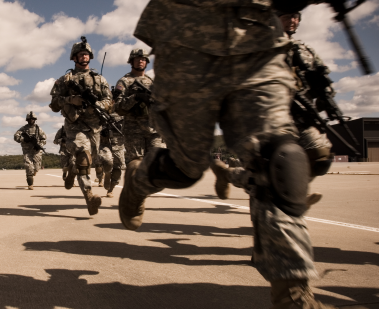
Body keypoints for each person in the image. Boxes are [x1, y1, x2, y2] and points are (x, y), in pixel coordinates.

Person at [119, 1, 335, 307]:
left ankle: (293, 294)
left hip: (258, 38)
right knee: (187, 167)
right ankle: (139, 180)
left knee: (279, 159)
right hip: (188, 39)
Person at [211, 10, 333, 207]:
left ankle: (293, 192)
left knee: (320, 157)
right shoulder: (259, 42)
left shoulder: (305, 50)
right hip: (268, 115)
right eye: (287, 16)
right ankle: (228, 174)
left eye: (296, 17)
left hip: (302, 113)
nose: (292, 20)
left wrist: (326, 94)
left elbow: (322, 77)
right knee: (263, 171)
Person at [49, 36, 112, 215]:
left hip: (95, 127)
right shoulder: (64, 80)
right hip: (75, 125)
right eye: (80, 54)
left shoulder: (99, 79)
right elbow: (53, 104)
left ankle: (72, 170)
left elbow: (110, 100)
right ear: (74, 58)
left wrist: (100, 105)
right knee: (83, 157)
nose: (84, 56)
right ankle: (90, 196)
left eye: (86, 54)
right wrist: (71, 100)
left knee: (91, 160)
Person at [114, 49, 165, 164]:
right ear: (131, 62)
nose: (140, 61)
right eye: (137, 59)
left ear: (147, 62)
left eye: (143, 59)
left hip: (153, 130)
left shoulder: (151, 81)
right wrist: (135, 97)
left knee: (156, 162)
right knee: (137, 164)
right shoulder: (124, 81)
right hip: (134, 131)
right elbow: (117, 107)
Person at [14, 112, 47, 190]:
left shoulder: (39, 129)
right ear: (27, 120)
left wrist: (39, 145)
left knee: (36, 168)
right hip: (27, 151)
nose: (31, 120)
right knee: (29, 167)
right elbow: (16, 136)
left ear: (35, 120)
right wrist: (24, 139)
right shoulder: (23, 129)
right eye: (30, 119)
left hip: (37, 151)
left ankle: (34, 171)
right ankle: (30, 184)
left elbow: (44, 139)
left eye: (33, 119)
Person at [97, 112, 125, 198]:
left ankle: (111, 189)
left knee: (118, 167)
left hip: (119, 145)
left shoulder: (124, 115)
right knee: (108, 161)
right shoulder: (100, 112)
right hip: (105, 144)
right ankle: (107, 173)